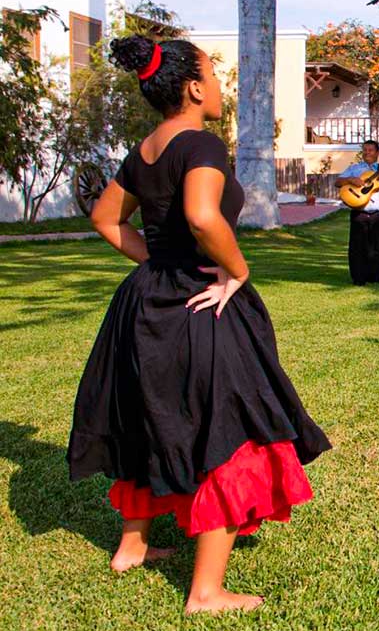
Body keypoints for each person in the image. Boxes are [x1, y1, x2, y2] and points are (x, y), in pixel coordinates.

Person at [66, 35, 332, 614]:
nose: (217, 85)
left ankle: (131, 547)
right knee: (228, 430)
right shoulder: (202, 146)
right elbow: (201, 215)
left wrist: (157, 262)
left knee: (148, 414)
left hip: (144, 302)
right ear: (192, 88)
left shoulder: (147, 150)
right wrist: (236, 269)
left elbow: (105, 217)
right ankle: (206, 591)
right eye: (212, 75)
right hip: (198, 302)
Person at [335, 140, 379, 286]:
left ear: (377, 153)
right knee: (357, 247)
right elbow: (338, 182)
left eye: (370, 150)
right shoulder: (355, 168)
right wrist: (350, 179)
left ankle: (375, 277)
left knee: (378, 247)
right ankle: (358, 277)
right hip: (360, 212)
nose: (367, 152)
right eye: (365, 150)